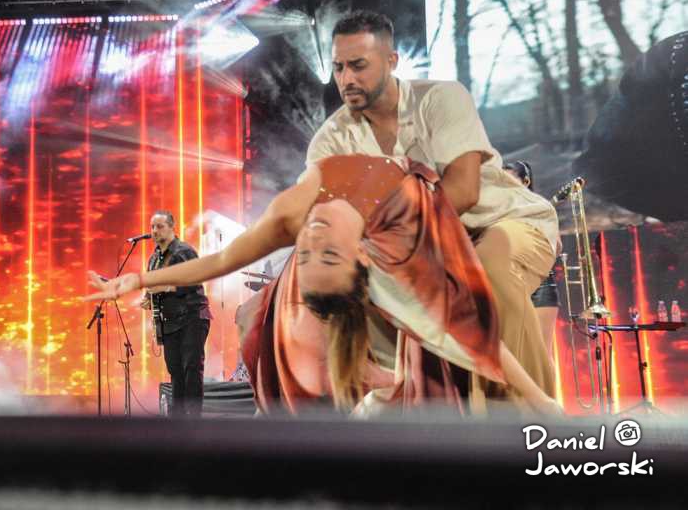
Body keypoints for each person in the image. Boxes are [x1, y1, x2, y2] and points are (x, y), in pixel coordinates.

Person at [87, 155, 561, 416]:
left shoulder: (297, 217)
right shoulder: (392, 248)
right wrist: (544, 408)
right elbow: (475, 340)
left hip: (509, 216)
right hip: (493, 223)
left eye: (312, 255)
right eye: (323, 254)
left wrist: (140, 279)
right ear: (359, 255)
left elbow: (219, 261)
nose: (314, 241)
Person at [304, 10, 560, 397]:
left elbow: (464, 191)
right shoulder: (329, 141)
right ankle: (406, 406)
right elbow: (322, 214)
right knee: (348, 288)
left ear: (392, 61)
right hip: (417, 248)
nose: (346, 79)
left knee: (488, 272)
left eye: (358, 65)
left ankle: (527, 422)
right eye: (338, 68)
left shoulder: (441, 98)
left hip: (505, 222)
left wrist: (386, 238)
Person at [143, 210, 211, 417]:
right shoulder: (153, 259)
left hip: (192, 317)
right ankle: (178, 419)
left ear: (172, 227)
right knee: (175, 371)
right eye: (152, 227)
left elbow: (194, 281)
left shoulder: (184, 252)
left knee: (191, 369)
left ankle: (194, 420)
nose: (155, 231)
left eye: (160, 226)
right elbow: (153, 286)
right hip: (170, 322)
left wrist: (164, 287)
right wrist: (148, 298)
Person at [503, 160, 561, 358]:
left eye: (510, 180)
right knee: (514, 354)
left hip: (540, 284)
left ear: (526, 181)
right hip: (509, 284)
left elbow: (556, 247)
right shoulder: (497, 210)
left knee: (542, 355)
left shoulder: (540, 208)